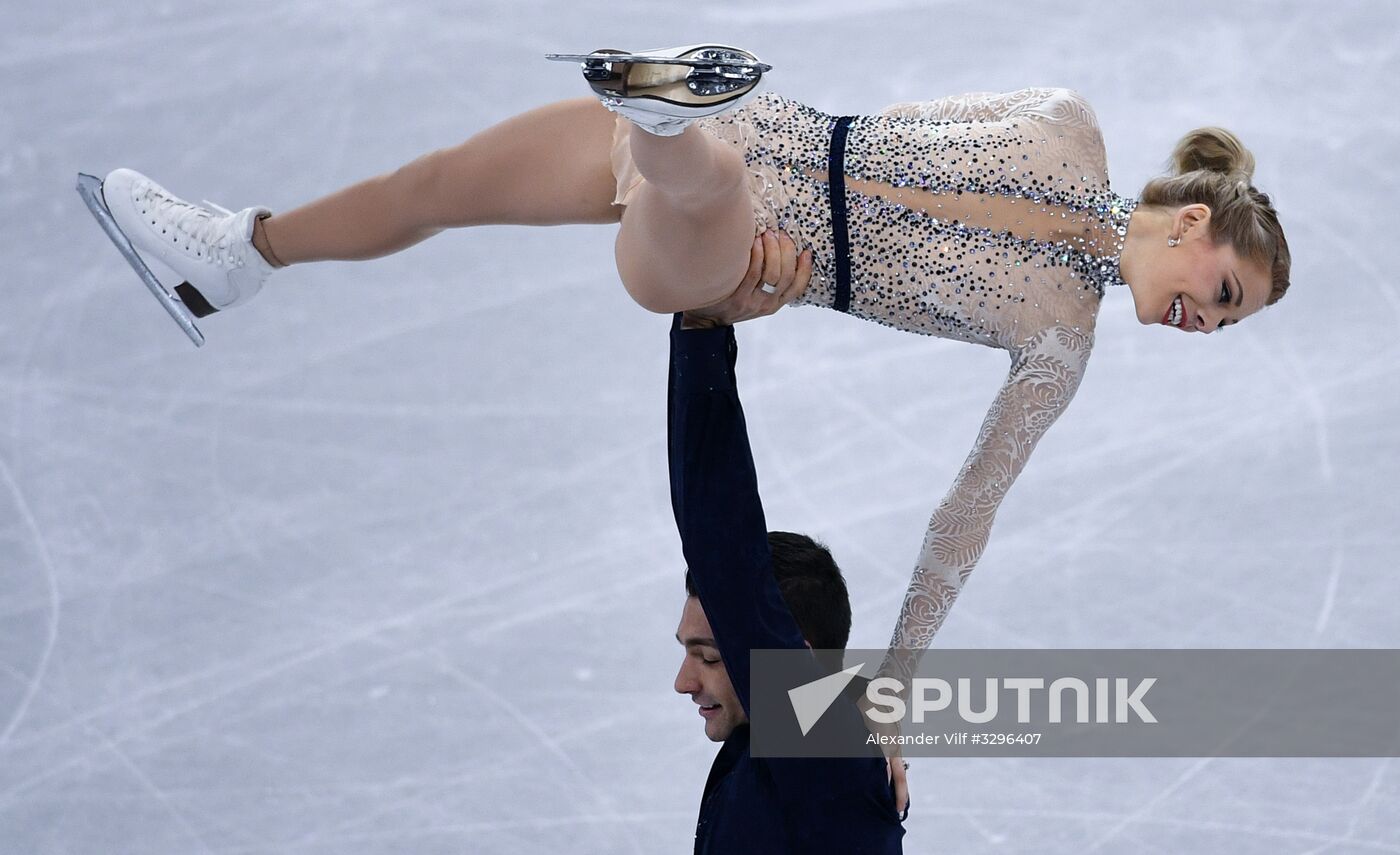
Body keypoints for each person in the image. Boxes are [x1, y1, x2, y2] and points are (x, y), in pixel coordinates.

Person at [87, 43, 1292, 680]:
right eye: (1220, 296)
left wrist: (888, 688)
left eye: (1225, 325)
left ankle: (668, 115)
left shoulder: (1057, 346)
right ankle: (237, 252)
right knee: (440, 184)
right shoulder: (1064, 119)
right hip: (770, 127)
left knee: (707, 185)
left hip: (737, 253)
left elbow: (960, 519)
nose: (1206, 327)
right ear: (1191, 226)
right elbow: (897, 143)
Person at [668, 307, 905, 853]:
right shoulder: (800, 749)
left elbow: (719, 538)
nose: (683, 682)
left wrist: (700, 332)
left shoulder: (824, 766)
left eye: (708, 656)